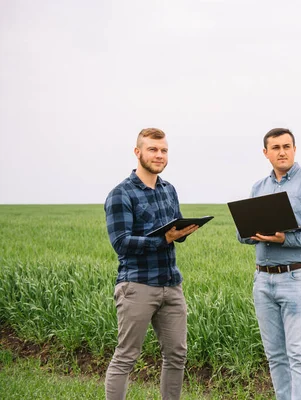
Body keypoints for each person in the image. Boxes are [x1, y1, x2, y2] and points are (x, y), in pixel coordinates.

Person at [104, 128, 199, 400]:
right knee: (126, 356)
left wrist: (181, 232)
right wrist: (164, 239)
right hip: (137, 285)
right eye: (153, 149)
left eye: (164, 150)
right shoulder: (121, 194)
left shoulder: (169, 190)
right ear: (138, 152)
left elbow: (173, 232)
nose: (159, 155)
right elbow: (121, 242)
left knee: (177, 355)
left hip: (171, 284)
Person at [237, 127, 301, 400]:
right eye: (275, 147)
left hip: (298, 278)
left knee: (300, 355)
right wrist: (249, 232)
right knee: (276, 355)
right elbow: (243, 236)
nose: (282, 152)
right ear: (266, 153)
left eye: (287, 146)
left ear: (294, 149)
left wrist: (283, 238)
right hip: (263, 280)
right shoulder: (259, 187)